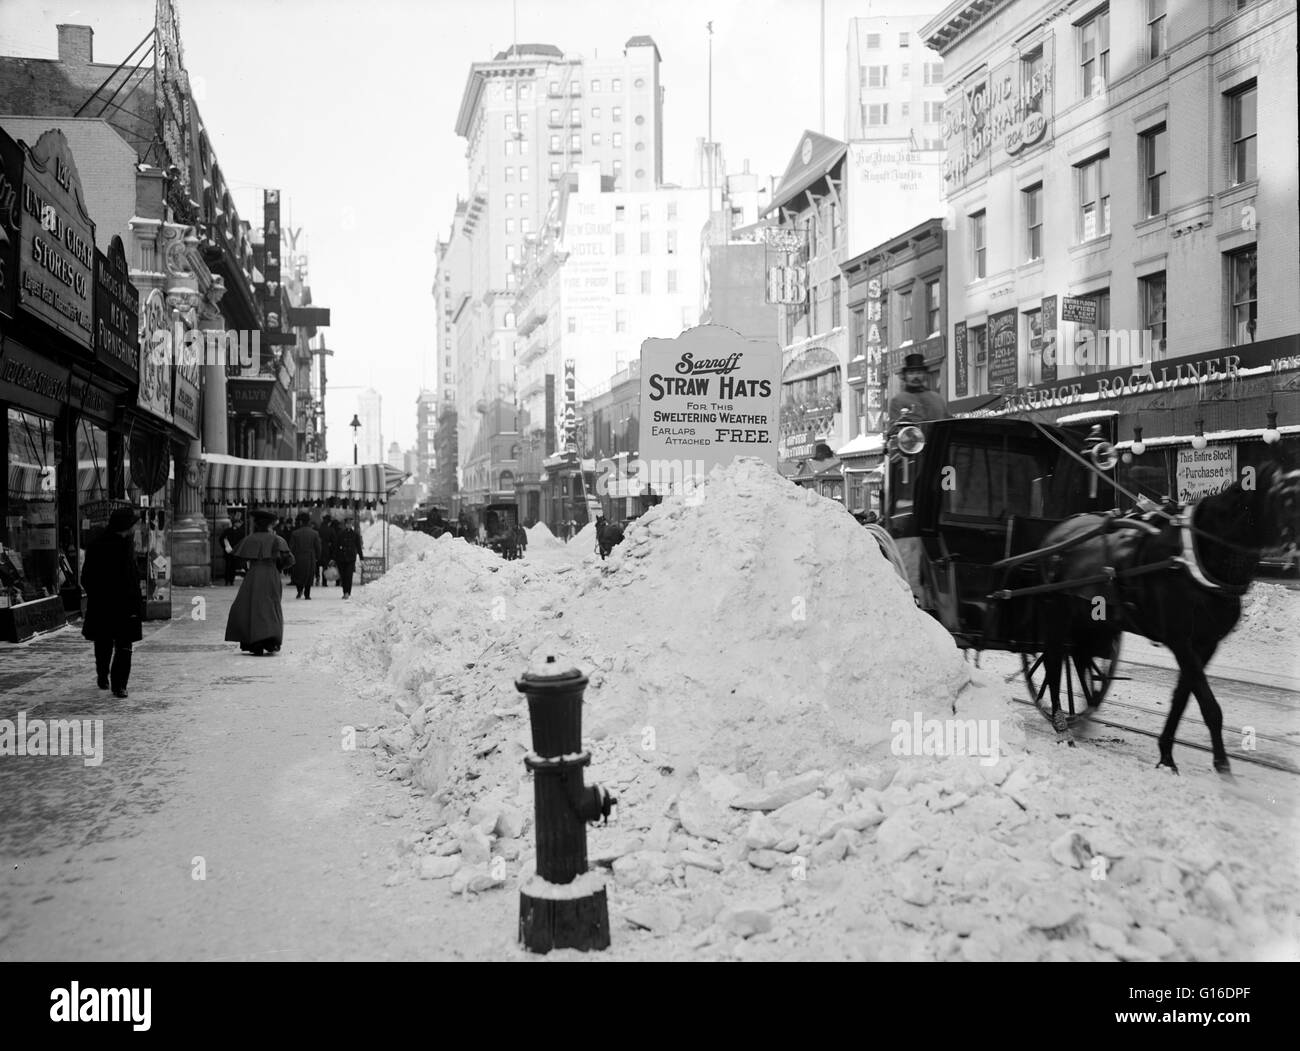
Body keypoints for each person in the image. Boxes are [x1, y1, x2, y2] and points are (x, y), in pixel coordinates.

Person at [80, 507, 143, 698]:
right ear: (125, 526)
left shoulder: (126, 544)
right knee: (108, 642)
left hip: (120, 604)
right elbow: (87, 577)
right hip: (108, 604)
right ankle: (108, 678)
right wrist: (100, 594)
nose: (135, 527)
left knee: (120, 645)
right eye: (132, 524)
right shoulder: (101, 546)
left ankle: (117, 682)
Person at [225, 509, 294, 655]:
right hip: (271, 575)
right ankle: (271, 641)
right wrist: (278, 566)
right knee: (270, 605)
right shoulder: (277, 540)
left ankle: (254, 641)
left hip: (253, 575)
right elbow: (289, 560)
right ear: (270, 525)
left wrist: (249, 564)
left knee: (251, 606)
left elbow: (238, 557)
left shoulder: (250, 539)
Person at [887, 352, 948, 428]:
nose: (916, 377)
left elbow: (948, 422)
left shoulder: (937, 399)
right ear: (905, 376)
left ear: (925, 375)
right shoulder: (898, 400)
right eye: (911, 373)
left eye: (919, 372)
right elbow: (894, 430)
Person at [289, 513, 322, 600]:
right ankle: (307, 594)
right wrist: (318, 557)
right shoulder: (314, 533)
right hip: (310, 557)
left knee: (298, 574)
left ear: (300, 522)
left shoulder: (295, 533)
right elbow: (318, 547)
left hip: (298, 557)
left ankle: (299, 590)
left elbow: (291, 547)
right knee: (309, 575)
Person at [334, 516, 363, 599]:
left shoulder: (355, 535)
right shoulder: (340, 534)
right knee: (343, 576)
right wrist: (334, 558)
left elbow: (358, 547)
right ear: (345, 524)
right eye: (347, 524)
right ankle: (345, 591)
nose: (349, 525)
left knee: (349, 576)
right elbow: (336, 546)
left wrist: (361, 558)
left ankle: (347, 593)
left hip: (351, 558)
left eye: (350, 524)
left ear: (352, 525)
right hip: (341, 558)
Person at [220, 513, 246, 585]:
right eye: (238, 523)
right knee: (228, 566)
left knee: (233, 566)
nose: (239, 524)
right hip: (228, 551)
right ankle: (227, 580)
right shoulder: (227, 531)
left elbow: (242, 542)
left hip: (235, 552)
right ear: (235, 523)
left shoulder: (241, 532)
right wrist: (225, 547)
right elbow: (221, 539)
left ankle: (231, 580)